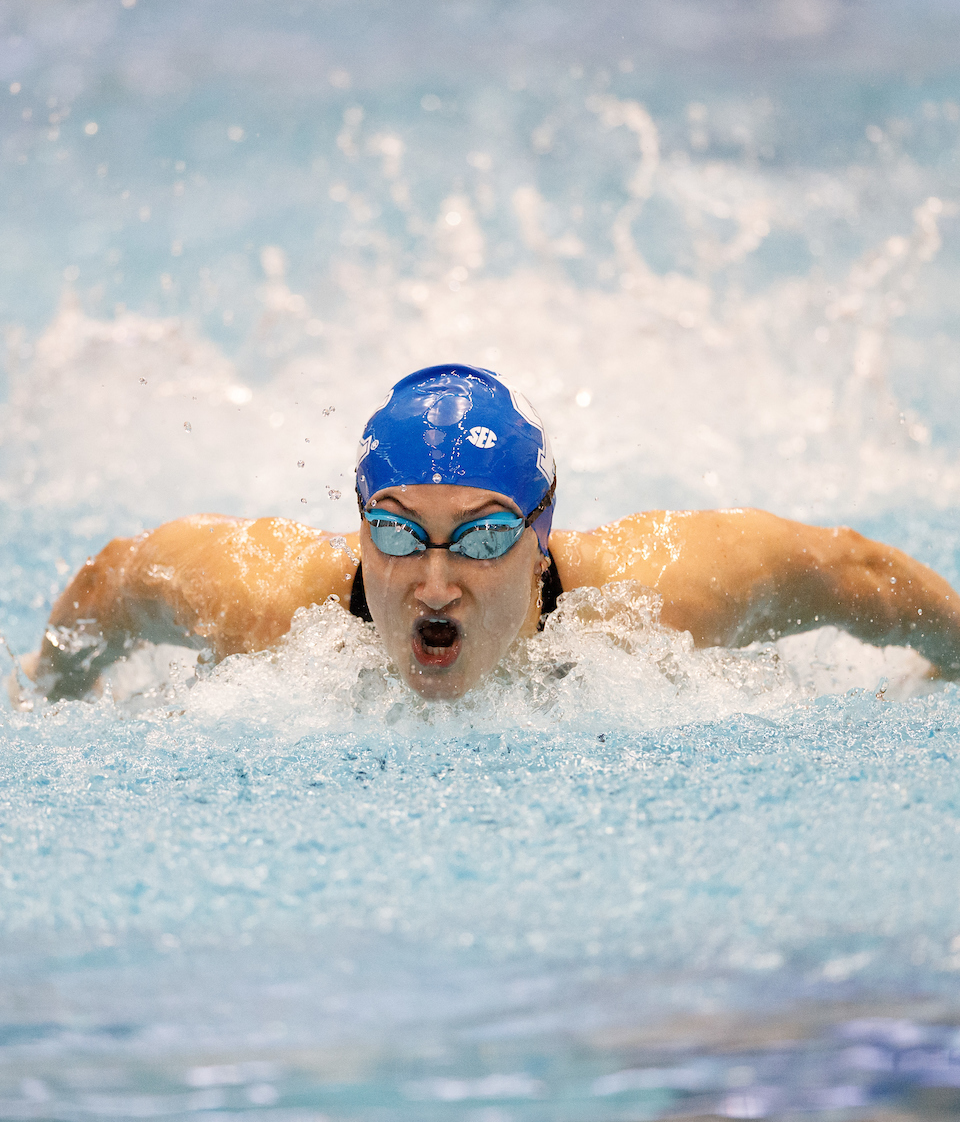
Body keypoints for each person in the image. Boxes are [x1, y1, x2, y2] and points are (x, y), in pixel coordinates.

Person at [16, 363, 960, 703]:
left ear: (541, 539)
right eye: (396, 532)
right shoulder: (268, 602)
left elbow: (849, 568)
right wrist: (40, 704)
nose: (433, 582)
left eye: (477, 540)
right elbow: (111, 583)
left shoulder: (651, 596)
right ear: (357, 525)